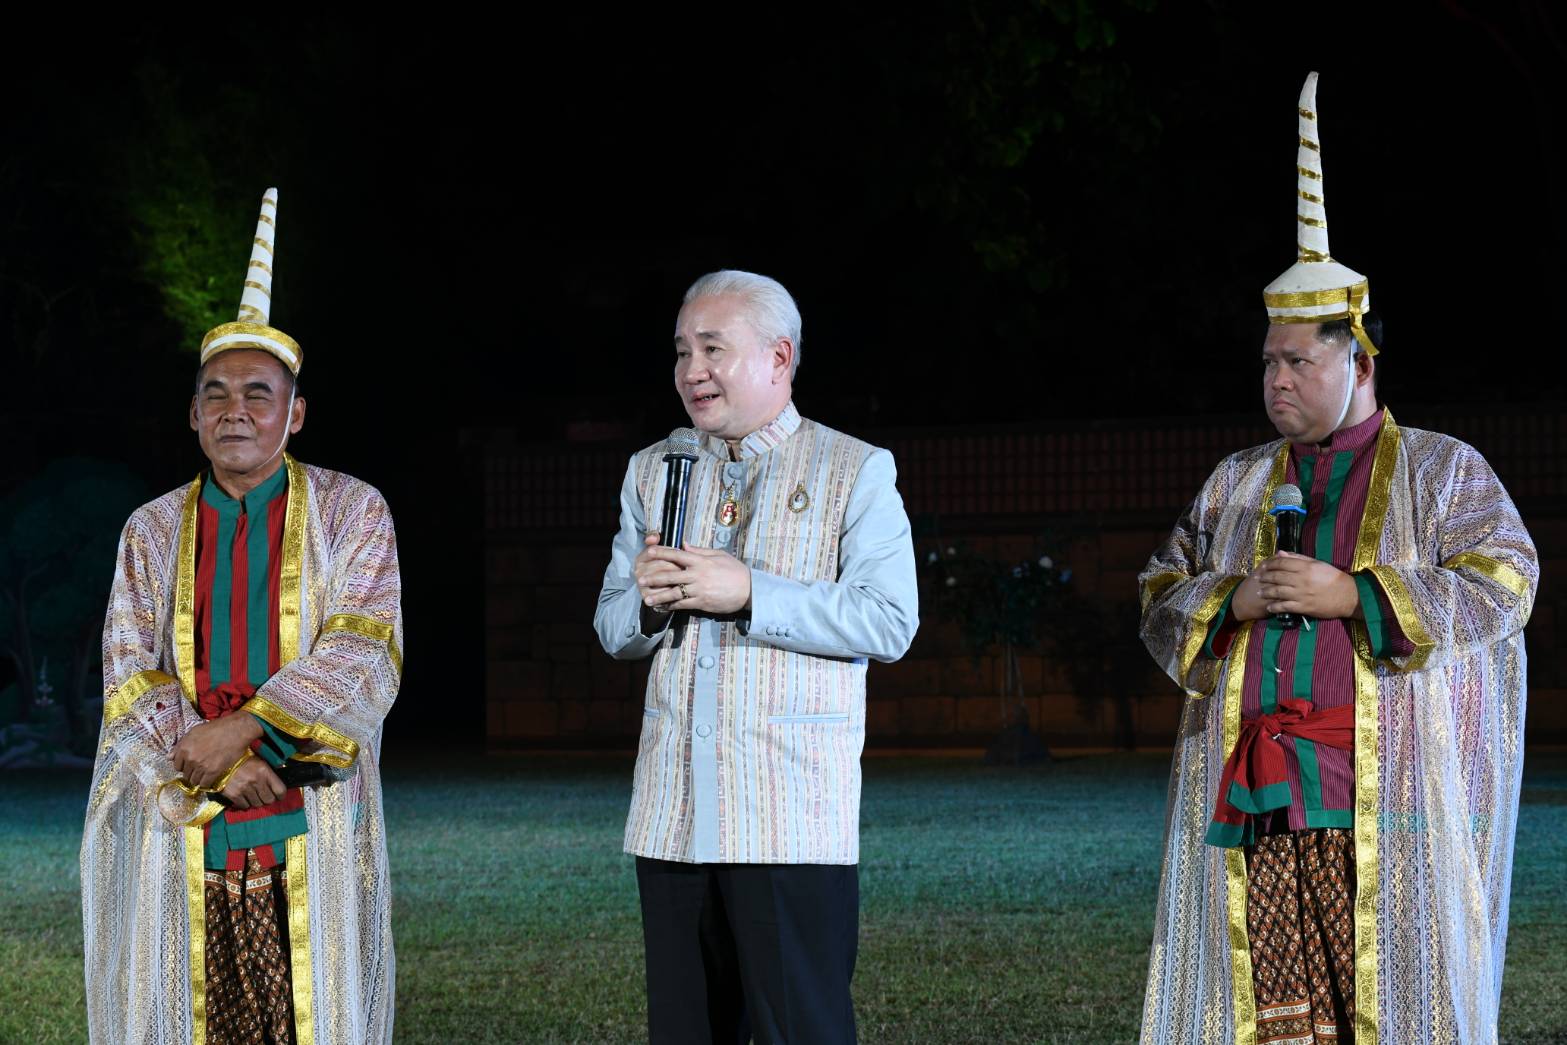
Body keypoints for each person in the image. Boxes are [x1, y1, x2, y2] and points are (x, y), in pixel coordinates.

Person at [1137, 75, 1537, 1044]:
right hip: (1261, 801)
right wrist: (1229, 601)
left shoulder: (1441, 472)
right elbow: (1156, 593)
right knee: (1277, 1022)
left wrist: (1352, 592)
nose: (1275, 380)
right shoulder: (1234, 481)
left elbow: (1506, 581)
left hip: (1389, 799)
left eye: (1297, 362)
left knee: (1397, 1009)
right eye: (1267, 363)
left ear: (1358, 359)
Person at [81, 190, 403, 1044]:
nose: (236, 409)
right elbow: (127, 665)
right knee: (190, 1014)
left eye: (259, 393)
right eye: (215, 393)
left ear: (294, 414)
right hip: (188, 815)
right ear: (191, 413)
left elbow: (364, 648)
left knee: (311, 1012)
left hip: (310, 812)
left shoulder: (351, 512)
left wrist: (249, 731)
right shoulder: (150, 529)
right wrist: (209, 761)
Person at [593, 269, 919, 1044]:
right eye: (681, 352)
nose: (691, 371)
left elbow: (890, 619)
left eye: (712, 348)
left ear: (779, 358)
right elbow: (611, 626)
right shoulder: (653, 470)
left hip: (789, 820)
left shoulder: (854, 468)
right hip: (671, 820)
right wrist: (647, 600)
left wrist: (748, 591)